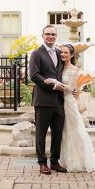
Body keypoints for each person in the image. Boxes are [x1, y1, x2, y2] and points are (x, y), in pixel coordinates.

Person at [28, 25, 68, 175]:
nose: (50, 37)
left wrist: (71, 87)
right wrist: (53, 86)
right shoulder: (36, 54)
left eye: (53, 34)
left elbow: (64, 73)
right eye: (47, 34)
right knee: (41, 133)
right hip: (43, 100)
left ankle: (55, 162)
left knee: (57, 133)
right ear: (42, 36)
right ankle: (42, 163)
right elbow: (34, 75)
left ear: (56, 36)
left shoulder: (59, 53)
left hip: (59, 101)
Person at [56, 44, 95, 173]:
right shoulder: (58, 67)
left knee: (75, 130)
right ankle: (66, 160)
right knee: (64, 131)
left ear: (72, 55)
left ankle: (80, 161)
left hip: (69, 103)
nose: (63, 54)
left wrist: (55, 84)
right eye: (62, 52)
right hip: (59, 102)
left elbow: (70, 88)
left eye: (66, 53)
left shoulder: (74, 69)